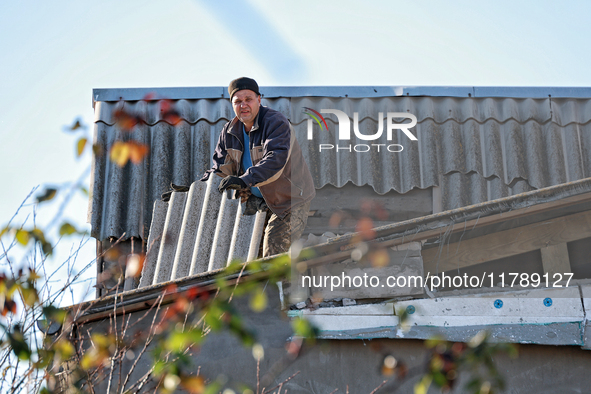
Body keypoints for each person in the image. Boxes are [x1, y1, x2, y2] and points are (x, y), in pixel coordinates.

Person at [201, 77, 315, 257]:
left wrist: (244, 180)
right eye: (238, 101)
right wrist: (193, 189)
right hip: (258, 199)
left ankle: (279, 284)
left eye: (248, 99)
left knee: (273, 247)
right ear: (232, 105)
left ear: (259, 100)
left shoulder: (275, 122)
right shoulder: (229, 132)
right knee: (245, 248)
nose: (243, 105)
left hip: (290, 199)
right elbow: (220, 170)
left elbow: (275, 160)